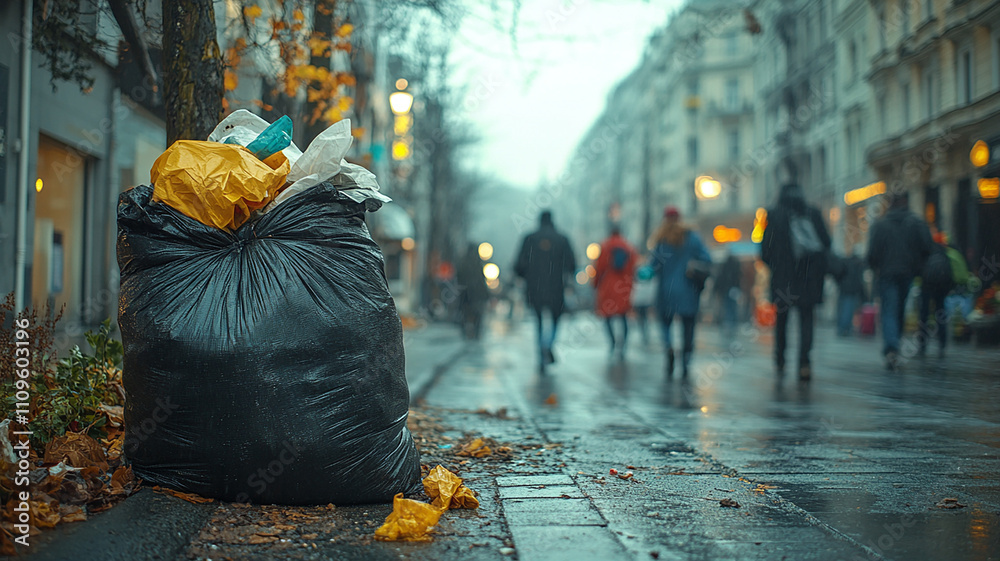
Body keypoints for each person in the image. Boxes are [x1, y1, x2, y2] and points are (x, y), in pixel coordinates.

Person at [761, 183, 831, 380]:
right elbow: (826, 243)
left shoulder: (774, 216)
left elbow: (764, 251)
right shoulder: (812, 213)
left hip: (784, 279)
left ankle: (781, 360)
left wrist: (778, 265)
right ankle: (804, 363)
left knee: (782, 320)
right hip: (809, 278)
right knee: (806, 319)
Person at [867, 191, 933, 370]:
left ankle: (891, 348)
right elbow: (927, 247)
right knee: (899, 308)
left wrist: (876, 267)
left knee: (889, 308)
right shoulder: (916, 223)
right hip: (907, 273)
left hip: (887, 273)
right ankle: (894, 345)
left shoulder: (881, 225)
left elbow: (872, 252)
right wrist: (917, 265)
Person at [649, 206, 711, 378]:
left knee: (665, 323)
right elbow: (707, 259)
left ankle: (669, 347)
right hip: (688, 289)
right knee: (688, 326)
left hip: (666, 290)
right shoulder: (692, 238)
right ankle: (686, 360)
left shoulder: (661, 241)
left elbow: (653, 267)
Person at [515, 210, 577, 369]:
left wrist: (527, 274)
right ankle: (548, 344)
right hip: (557, 287)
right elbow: (572, 265)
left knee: (539, 320)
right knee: (556, 318)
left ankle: (542, 351)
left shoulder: (529, 239)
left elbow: (519, 266)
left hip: (534, 287)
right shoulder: (562, 239)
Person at [917, 232, 965, 358]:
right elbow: (961, 275)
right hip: (942, 287)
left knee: (924, 315)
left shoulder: (925, 253)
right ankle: (942, 344)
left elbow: (918, 270)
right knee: (941, 312)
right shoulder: (950, 253)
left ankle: (922, 345)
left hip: (927, 286)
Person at [593, 226, 638, 359]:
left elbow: (599, 267)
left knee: (607, 316)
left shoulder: (605, 246)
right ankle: (623, 345)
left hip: (607, 286)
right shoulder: (629, 247)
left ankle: (612, 342)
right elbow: (633, 268)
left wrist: (595, 284)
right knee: (623, 316)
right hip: (623, 286)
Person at [457, 243, 490, 340]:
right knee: (477, 314)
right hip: (475, 295)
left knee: (465, 313)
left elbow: (459, 278)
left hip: (466, 294)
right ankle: (475, 332)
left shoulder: (463, 262)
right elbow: (481, 280)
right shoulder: (478, 263)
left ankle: (466, 331)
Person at [835, 249, 867, 337]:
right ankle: (845, 328)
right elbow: (860, 281)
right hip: (852, 289)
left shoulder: (845, 262)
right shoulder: (859, 265)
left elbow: (838, 273)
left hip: (844, 288)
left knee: (842, 308)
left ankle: (842, 327)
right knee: (848, 309)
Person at [714, 253, 742, 338]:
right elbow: (738, 279)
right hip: (732, 290)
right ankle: (732, 323)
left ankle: (728, 323)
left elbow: (720, 279)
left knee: (727, 307)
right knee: (732, 307)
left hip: (726, 290)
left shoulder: (724, 268)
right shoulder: (735, 269)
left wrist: (717, 289)